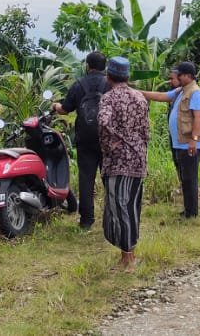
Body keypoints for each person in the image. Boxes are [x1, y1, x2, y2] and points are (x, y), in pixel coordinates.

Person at [97, 56, 150, 273]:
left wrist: (111, 145)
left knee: (120, 208)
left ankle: (128, 259)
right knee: (132, 206)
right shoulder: (140, 98)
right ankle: (128, 255)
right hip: (138, 159)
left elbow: (102, 122)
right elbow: (146, 130)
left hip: (119, 161)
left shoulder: (109, 98)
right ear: (127, 76)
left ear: (109, 76)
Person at [139, 61, 200, 218]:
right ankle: (189, 209)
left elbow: (198, 117)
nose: (176, 78)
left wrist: (194, 140)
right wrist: (136, 91)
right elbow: (161, 96)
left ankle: (191, 213)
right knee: (184, 177)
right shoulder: (181, 91)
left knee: (189, 178)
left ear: (188, 76)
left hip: (189, 143)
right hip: (180, 143)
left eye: (179, 75)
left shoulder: (195, 92)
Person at [53, 52, 108, 231]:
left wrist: (55, 106)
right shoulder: (110, 83)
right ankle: (112, 215)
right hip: (107, 137)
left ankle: (86, 220)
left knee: (86, 178)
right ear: (104, 66)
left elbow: (65, 109)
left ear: (87, 65)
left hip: (85, 138)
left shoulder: (79, 84)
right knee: (110, 177)